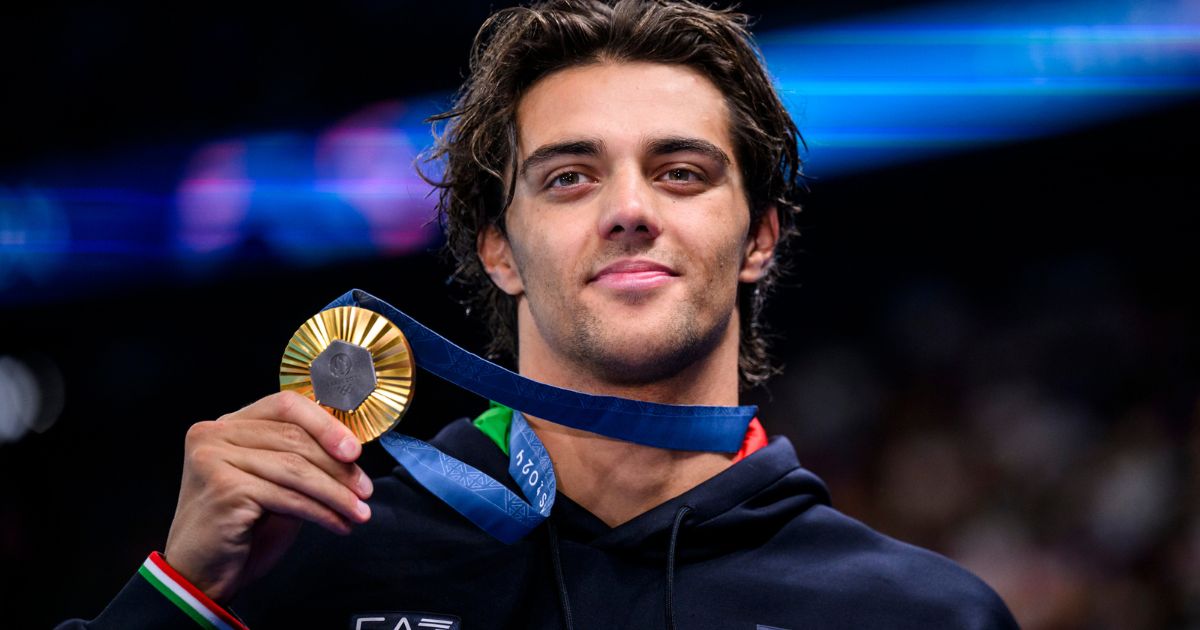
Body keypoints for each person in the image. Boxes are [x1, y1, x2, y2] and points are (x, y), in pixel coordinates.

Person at [61, 1, 1018, 628]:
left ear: (760, 239)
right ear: (499, 249)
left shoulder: (921, 614)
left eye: (681, 172)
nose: (631, 208)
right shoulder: (306, 565)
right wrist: (177, 595)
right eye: (569, 177)